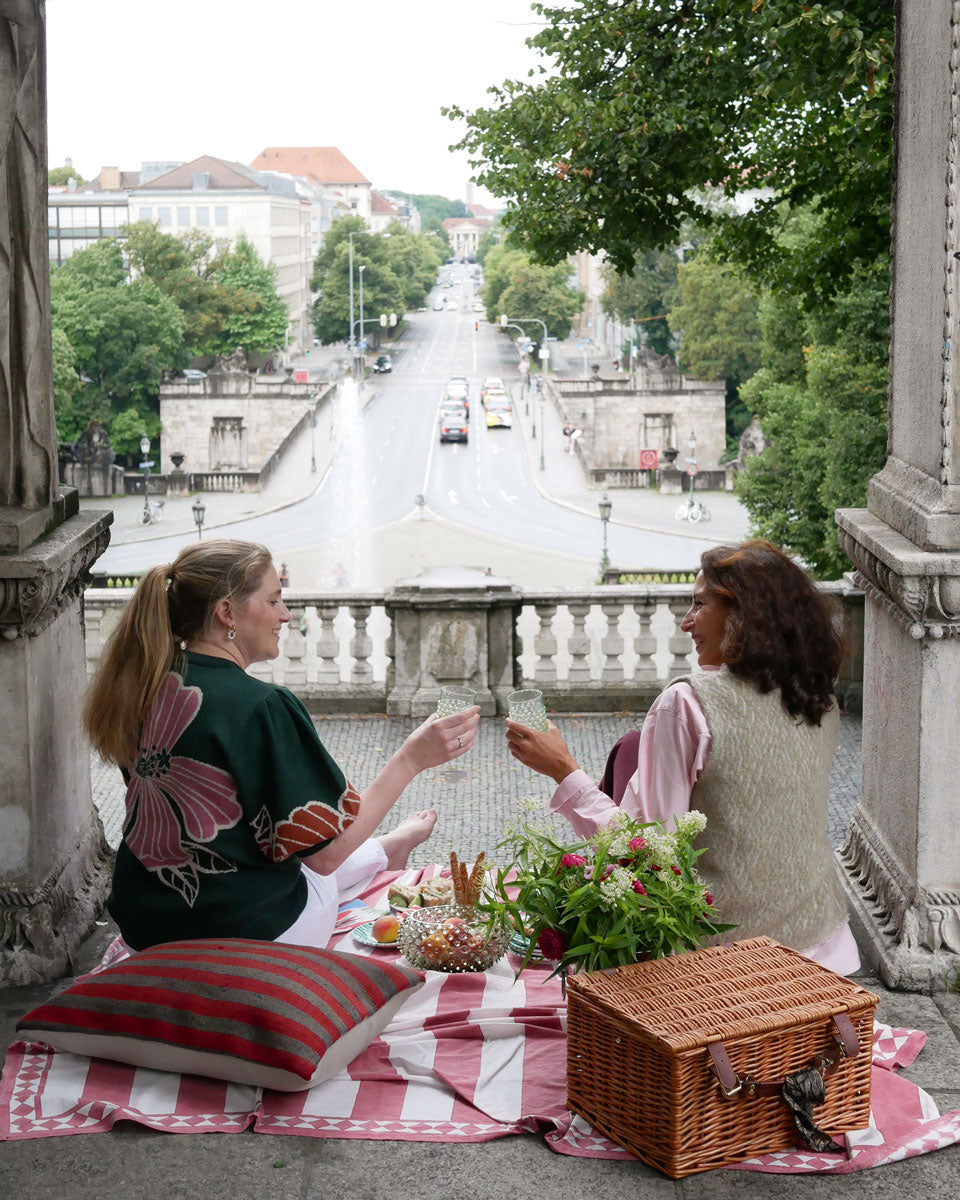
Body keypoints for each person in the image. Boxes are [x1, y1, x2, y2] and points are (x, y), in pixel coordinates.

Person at [83, 540, 479, 954]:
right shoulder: (260, 706)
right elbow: (325, 856)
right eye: (273, 600)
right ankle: (384, 850)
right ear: (226, 613)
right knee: (317, 869)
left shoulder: (140, 685)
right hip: (248, 937)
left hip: (147, 925)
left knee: (287, 858)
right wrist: (411, 757)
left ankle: (389, 846)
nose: (286, 615)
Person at [504, 540, 859, 975]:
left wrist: (563, 769)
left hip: (724, 968)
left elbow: (647, 855)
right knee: (632, 748)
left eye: (698, 604)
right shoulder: (818, 699)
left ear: (744, 616)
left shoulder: (687, 703)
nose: (686, 622)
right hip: (825, 948)